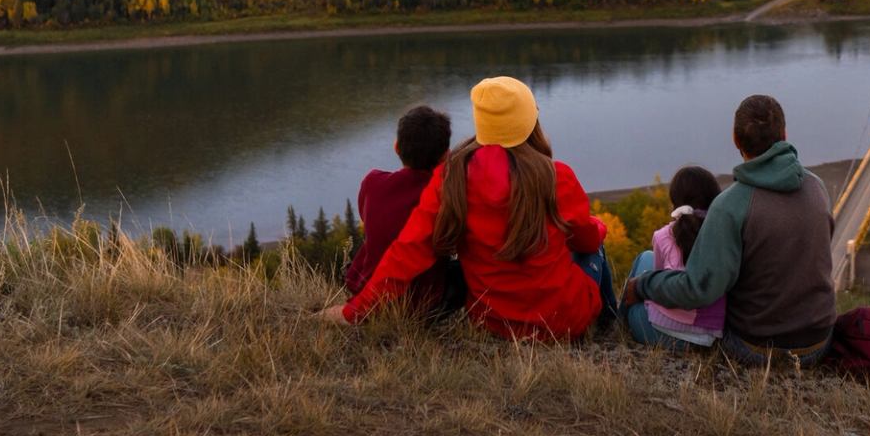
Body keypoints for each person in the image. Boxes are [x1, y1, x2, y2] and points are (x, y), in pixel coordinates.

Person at [326, 76, 616, 340]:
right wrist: (598, 226)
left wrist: (354, 311)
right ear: (529, 123)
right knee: (596, 248)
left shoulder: (451, 178)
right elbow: (586, 239)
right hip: (562, 322)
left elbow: (407, 252)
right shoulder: (556, 177)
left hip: (493, 322)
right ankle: (609, 327)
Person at [624, 94, 836, 368]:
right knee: (646, 260)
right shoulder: (816, 187)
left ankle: (609, 334)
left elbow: (699, 290)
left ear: (736, 141)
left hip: (756, 348)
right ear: (784, 134)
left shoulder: (731, 205)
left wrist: (643, 285)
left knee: (638, 303)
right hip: (819, 341)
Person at [343, 104, 460, 316]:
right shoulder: (446, 196)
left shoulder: (372, 182)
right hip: (424, 303)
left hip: (368, 290)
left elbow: (367, 218)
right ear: (445, 156)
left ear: (396, 147)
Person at [622, 166, 725, 351]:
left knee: (645, 261)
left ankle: (619, 317)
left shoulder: (663, 236)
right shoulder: (723, 235)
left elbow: (658, 281)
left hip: (668, 335)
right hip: (710, 336)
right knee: (647, 258)